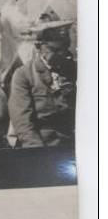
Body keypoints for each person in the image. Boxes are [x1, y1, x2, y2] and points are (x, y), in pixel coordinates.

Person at [9, 20, 76, 148]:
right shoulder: (24, 75)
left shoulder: (71, 69)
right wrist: (39, 154)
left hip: (72, 143)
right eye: (54, 50)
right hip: (43, 146)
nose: (60, 54)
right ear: (38, 47)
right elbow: (23, 124)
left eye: (64, 49)